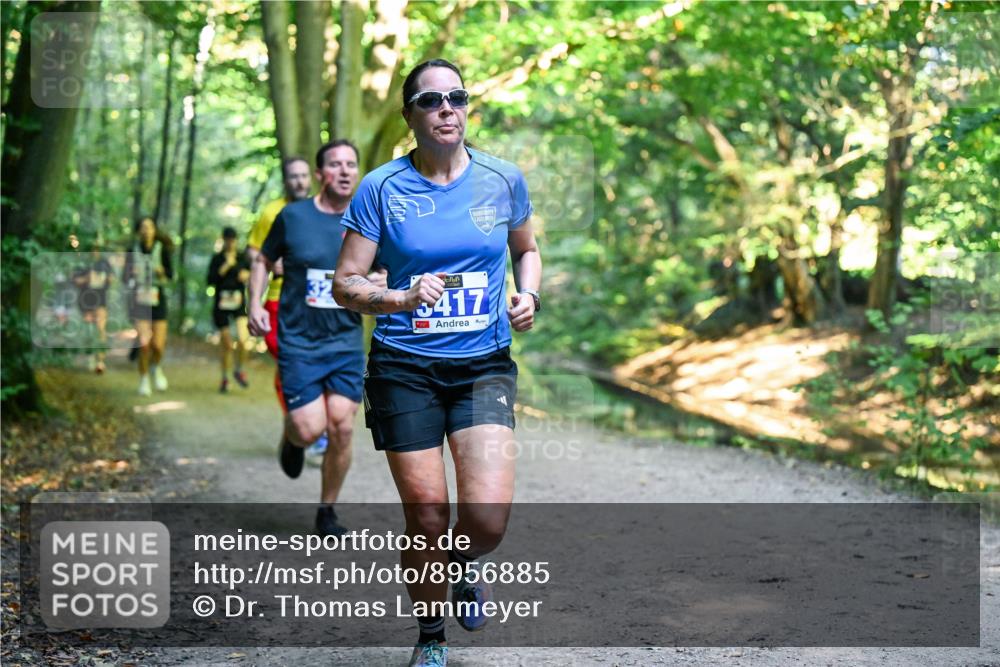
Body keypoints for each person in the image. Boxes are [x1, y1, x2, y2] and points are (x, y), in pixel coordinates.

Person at [333, 59, 541, 667]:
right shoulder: (381, 188)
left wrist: (528, 295)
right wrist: (398, 296)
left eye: (456, 97)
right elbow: (346, 284)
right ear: (410, 115)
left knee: (487, 519)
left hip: (483, 366)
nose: (446, 107)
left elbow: (526, 251)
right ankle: (430, 638)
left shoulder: (503, 180)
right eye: (431, 100)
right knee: (427, 515)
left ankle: (461, 564)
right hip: (404, 368)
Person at [248, 140, 386, 537]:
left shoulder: (367, 222)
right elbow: (261, 260)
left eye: (351, 165)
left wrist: (381, 280)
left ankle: (328, 509)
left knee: (341, 426)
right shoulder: (293, 217)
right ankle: (292, 440)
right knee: (310, 429)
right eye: (335, 165)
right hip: (299, 340)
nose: (344, 171)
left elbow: (386, 273)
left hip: (344, 341)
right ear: (321, 173)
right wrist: (254, 304)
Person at [246, 158, 330, 452]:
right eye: (293, 177)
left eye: (303, 176)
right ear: (285, 181)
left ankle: (308, 426)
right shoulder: (272, 211)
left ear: (312, 178)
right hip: (278, 300)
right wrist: (274, 262)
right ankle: (304, 423)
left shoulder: (322, 209)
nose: (299, 182)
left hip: (316, 300)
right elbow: (254, 251)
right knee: (291, 360)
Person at [123, 216, 173, 396]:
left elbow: (171, 275)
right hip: (140, 301)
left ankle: (156, 366)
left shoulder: (162, 250)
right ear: (139, 231)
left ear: (154, 230)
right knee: (144, 344)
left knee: (158, 345)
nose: (146, 230)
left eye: (150, 227)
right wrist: (132, 275)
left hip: (158, 299)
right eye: (143, 227)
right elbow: (124, 278)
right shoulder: (132, 251)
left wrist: (161, 272)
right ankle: (144, 379)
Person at [208, 226, 251, 393]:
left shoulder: (242, 257)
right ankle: (225, 377)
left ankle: (239, 369)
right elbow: (210, 281)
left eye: (233, 239)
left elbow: (252, 275)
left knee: (243, 339)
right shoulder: (217, 259)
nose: (230, 243)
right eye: (227, 240)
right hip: (221, 305)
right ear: (223, 240)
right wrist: (226, 266)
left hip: (238, 303)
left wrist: (246, 275)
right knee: (226, 344)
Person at [73, 241, 114, 374]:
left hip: (100, 300)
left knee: (100, 329)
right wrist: (87, 279)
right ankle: (90, 354)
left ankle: (100, 360)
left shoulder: (104, 262)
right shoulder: (82, 263)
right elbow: (75, 280)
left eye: (96, 249)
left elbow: (112, 279)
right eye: (91, 249)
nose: (94, 252)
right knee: (89, 330)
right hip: (85, 301)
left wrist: (107, 279)